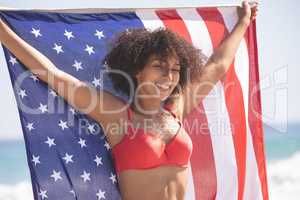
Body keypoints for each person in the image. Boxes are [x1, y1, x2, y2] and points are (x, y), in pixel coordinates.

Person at [0, 1, 258, 200]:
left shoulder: (176, 109)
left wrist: (243, 23)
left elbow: (218, 65)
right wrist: (3, 31)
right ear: (137, 70)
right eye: (159, 66)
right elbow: (55, 77)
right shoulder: (118, 115)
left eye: (175, 69)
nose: (169, 77)